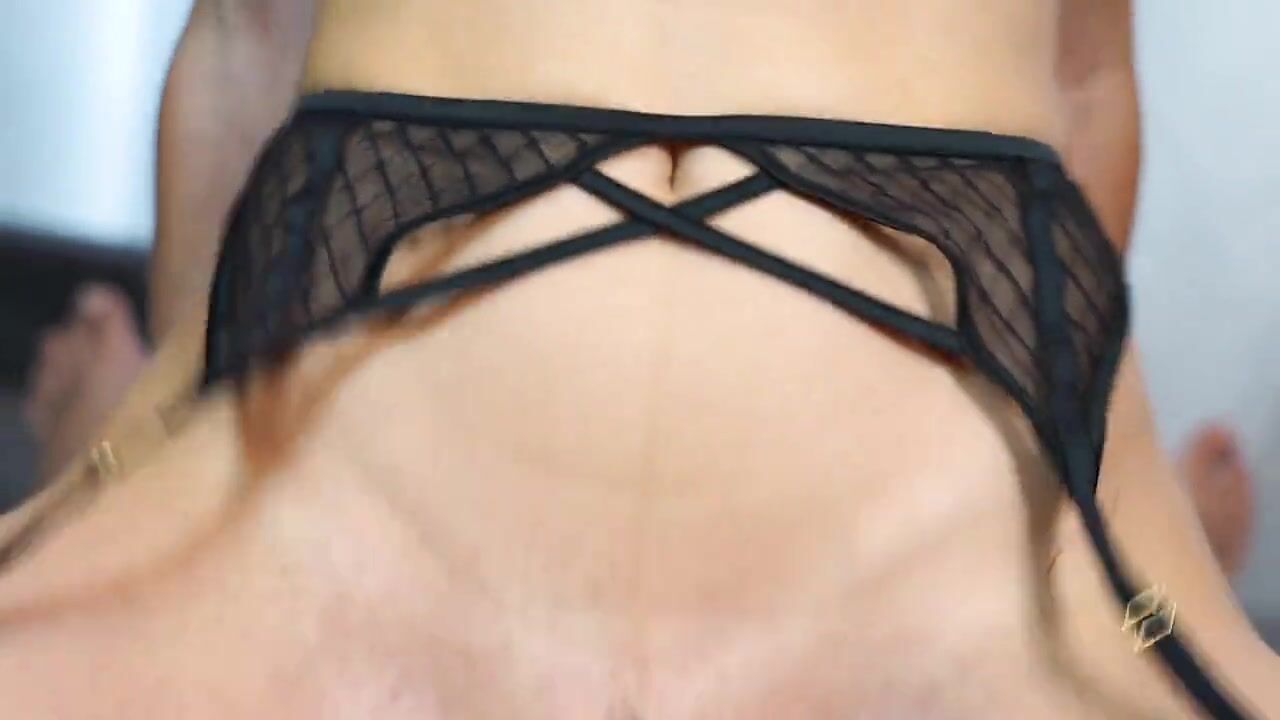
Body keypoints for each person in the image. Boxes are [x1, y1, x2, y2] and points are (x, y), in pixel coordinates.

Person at [2, 1, 1276, 718]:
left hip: (405, 174)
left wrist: (148, 435)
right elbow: (1083, 81)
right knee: (1127, 636)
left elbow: (249, 30)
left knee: (108, 573)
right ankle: (1106, 568)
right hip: (947, 196)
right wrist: (1094, 504)